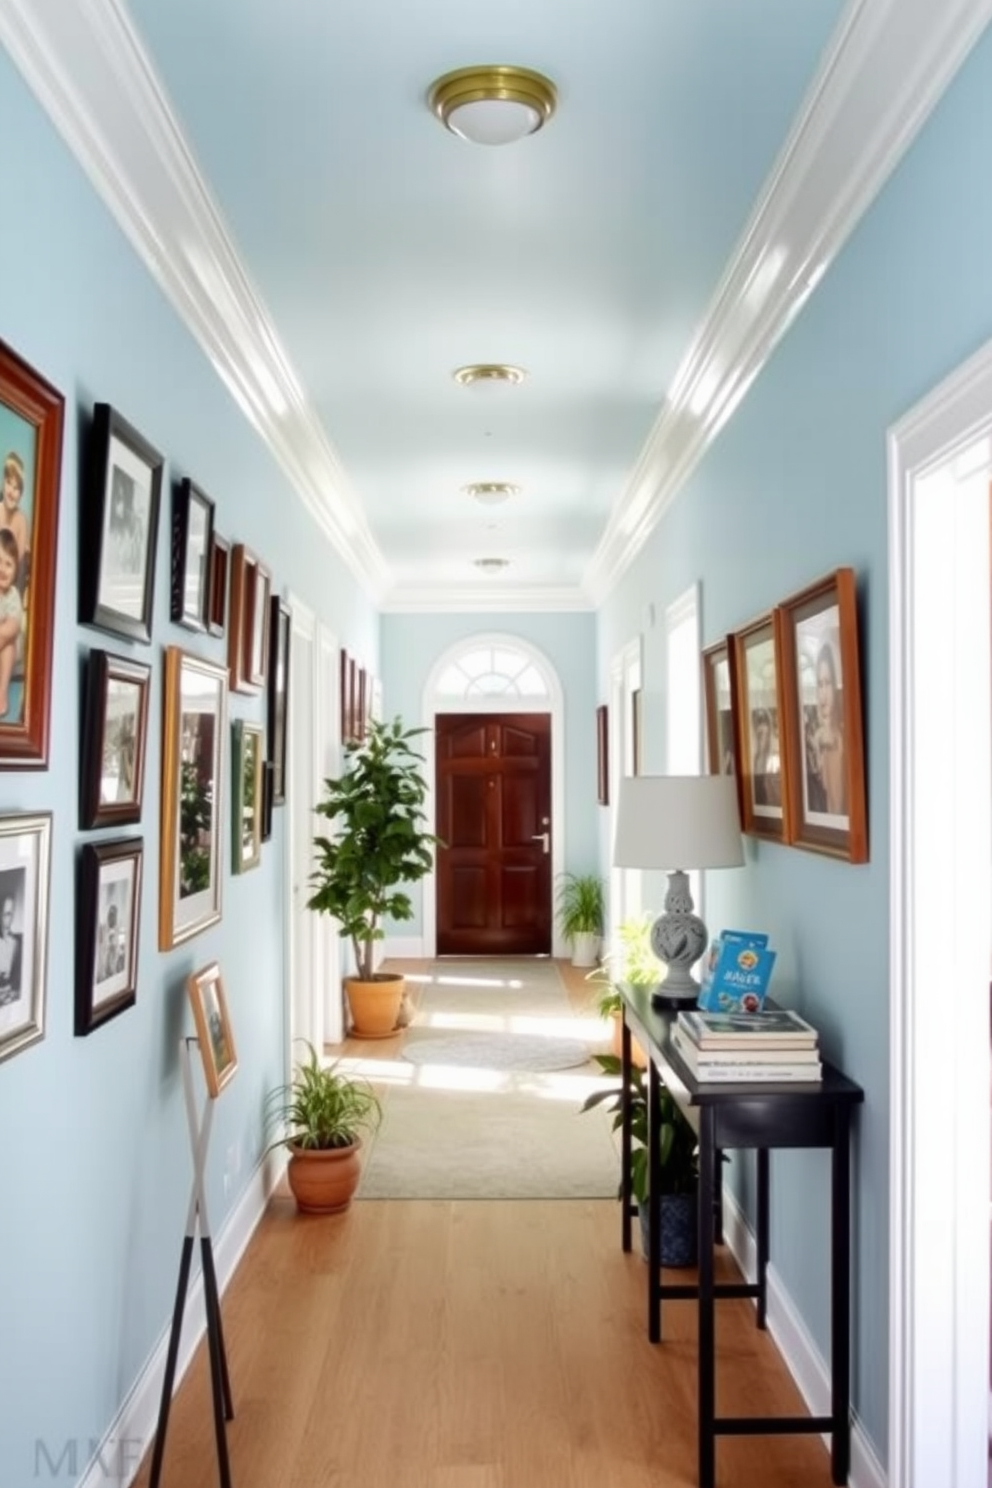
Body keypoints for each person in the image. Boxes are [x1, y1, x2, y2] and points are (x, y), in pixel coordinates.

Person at [809, 642, 846, 815]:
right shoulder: (816, 740)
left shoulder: (843, 738)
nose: (823, 694)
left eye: (827, 683)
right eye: (819, 684)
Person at [0, 528, 24, 719]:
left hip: (4, 640)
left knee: (10, 644)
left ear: (16, 569)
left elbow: (13, 626)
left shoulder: (12, 594)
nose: (3, 569)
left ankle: (2, 693)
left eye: (8, 564)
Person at [0, 450, 30, 595]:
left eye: (16, 488)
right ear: (2, 482)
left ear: (21, 493)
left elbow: (18, 569)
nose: (11, 492)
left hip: (10, 589)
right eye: (9, 483)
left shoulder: (21, 521)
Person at [751, 707, 780, 806]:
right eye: (758, 723)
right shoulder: (754, 758)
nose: (760, 728)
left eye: (764, 722)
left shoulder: (775, 757)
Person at [0, 893, 23, 1004]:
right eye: (6, 913)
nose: (10, 917)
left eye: (11, 913)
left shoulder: (18, 942)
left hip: (12, 1001)